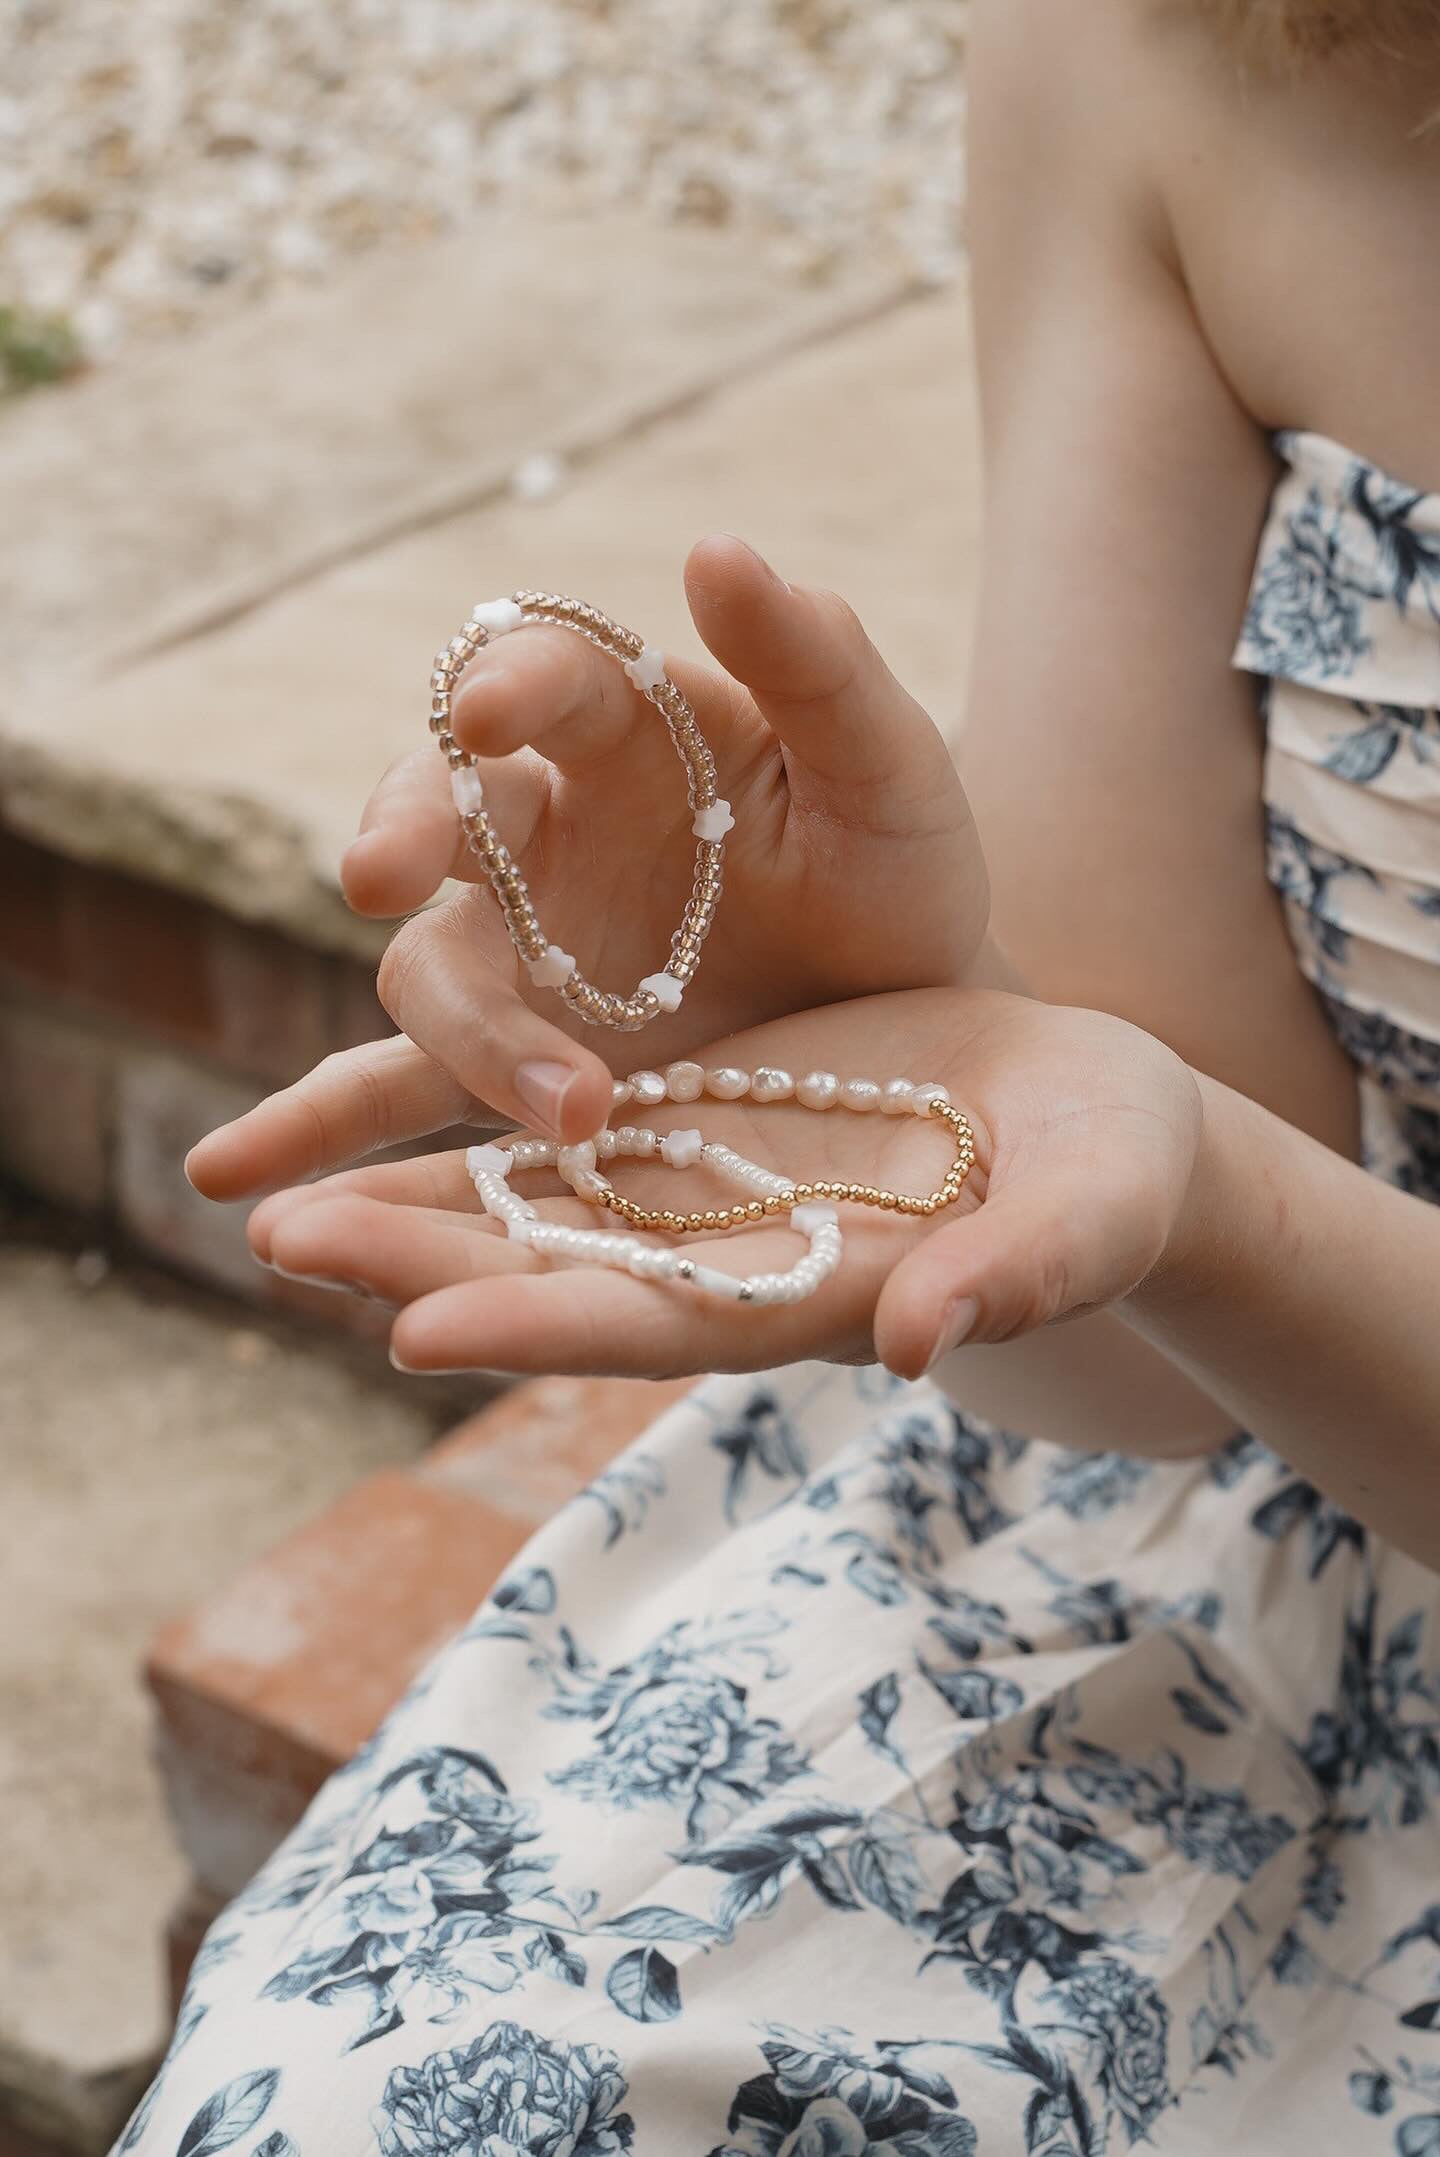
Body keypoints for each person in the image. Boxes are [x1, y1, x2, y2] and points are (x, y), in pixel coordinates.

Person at [117, 1, 1440, 2149]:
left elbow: (1230, 1201)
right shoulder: (1197, 45)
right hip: (1298, 1546)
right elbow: (1153, 1327)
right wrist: (888, 1050)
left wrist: (1228, 1205)